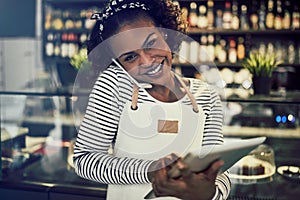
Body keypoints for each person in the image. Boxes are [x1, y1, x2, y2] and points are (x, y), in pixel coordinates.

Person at [73, 0, 231, 199]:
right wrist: (151, 171)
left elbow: (221, 170)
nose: (147, 62)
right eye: (130, 57)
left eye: (151, 43)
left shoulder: (206, 95)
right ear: (118, 64)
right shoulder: (115, 85)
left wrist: (210, 194)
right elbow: (85, 160)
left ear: (165, 34)